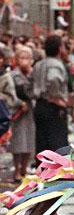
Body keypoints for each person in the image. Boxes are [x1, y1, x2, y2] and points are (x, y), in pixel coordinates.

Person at [32, 34, 69, 156]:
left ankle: (43, 172)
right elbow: (53, 79)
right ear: (59, 48)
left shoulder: (38, 64)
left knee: (42, 142)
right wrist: (56, 97)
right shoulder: (56, 64)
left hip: (39, 105)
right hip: (53, 107)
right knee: (56, 143)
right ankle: (58, 173)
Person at [8, 46, 35, 181]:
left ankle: (25, 168)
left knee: (29, 140)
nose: (25, 61)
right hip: (17, 111)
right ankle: (17, 170)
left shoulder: (34, 74)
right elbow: (9, 93)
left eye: (27, 58)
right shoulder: (12, 75)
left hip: (31, 110)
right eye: (22, 58)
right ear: (17, 60)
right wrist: (19, 103)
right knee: (18, 142)